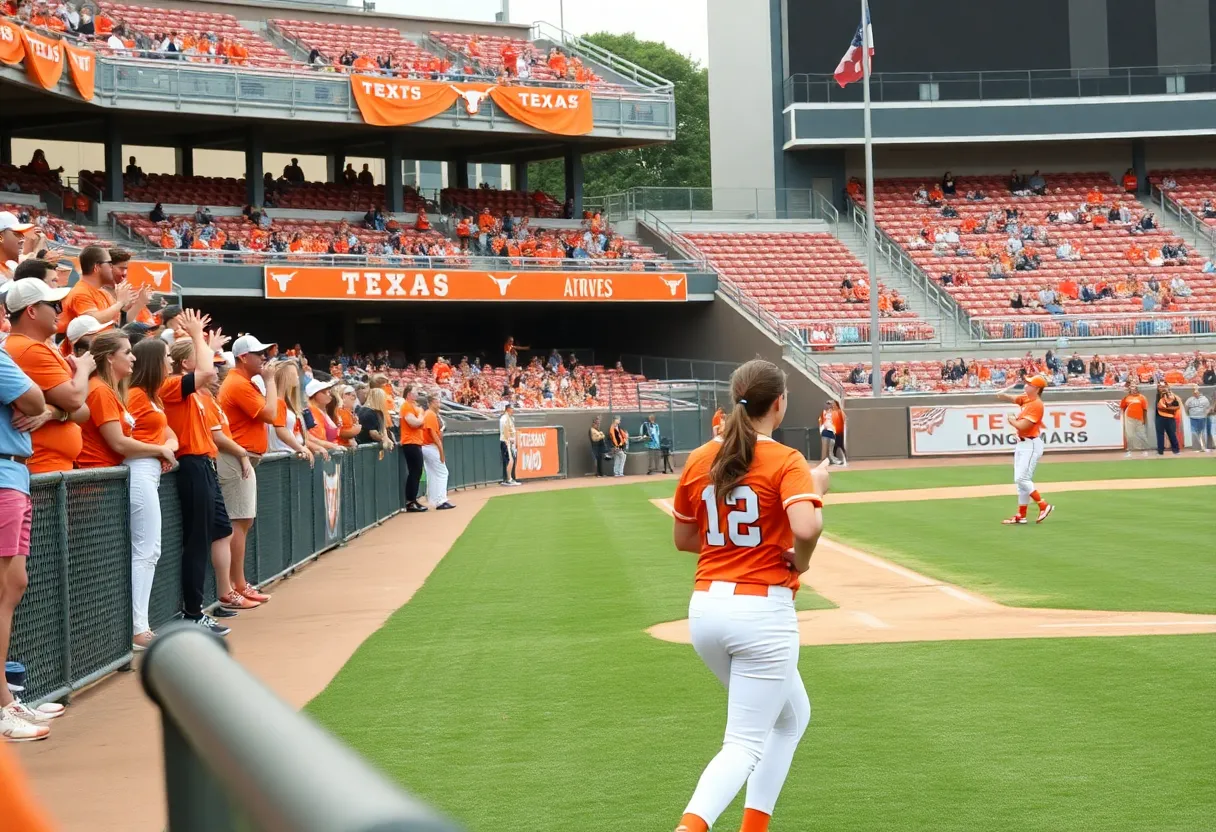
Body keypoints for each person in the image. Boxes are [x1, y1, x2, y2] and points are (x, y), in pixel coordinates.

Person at [669, 359, 830, 832]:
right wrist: (800, 555)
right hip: (760, 612)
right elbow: (806, 526)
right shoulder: (785, 459)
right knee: (743, 744)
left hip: (706, 610)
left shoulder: (701, 457)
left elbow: (684, 539)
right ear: (778, 404)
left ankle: (754, 828)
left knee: (792, 716)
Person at [160, 310, 232, 635]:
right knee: (197, 541)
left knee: (218, 531)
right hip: (191, 464)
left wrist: (203, 342)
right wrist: (196, 337)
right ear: (184, 363)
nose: (212, 364)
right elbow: (204, 371)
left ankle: (205, 604)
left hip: (205, 465)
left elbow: (205, 369)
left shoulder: (193, 392)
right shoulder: (172, 385)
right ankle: (193, 611)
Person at [0, 339, 56, 741]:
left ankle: (7, 697)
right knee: (2, 588)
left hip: (14, 473)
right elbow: (34, 400)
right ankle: (3, 704)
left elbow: (42, 404)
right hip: (2, 475)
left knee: (14, 584)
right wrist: (38, 404)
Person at [3, 279, 92, 474]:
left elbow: (84, 411)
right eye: (54, 305)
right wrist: (84, 368)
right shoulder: (28, 348)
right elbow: (75, 399)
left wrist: (53, 412)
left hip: (50, 468)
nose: (59, 311)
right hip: (41, 467)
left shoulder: (35, 346)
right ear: (32, 311)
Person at [125, 337, 179, 649]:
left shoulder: (152, 396)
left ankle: (140, 625)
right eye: (167, 357)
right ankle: (137, 628)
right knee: (145, 550)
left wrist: (166, 450)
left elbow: (170, 435)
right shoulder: (134, 394)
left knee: (151, 549)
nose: (170, 362)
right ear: (153, 362)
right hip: (137, 469)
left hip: (150, 468)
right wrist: (161, 449)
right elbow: (121, 438)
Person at [217, 335, 278, 606]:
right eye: (259, 353)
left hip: (242, 457)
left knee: (243, 522)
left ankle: (238, 584)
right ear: (243, 357)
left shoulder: (243, 382)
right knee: (238, 522)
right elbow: (270, 414)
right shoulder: (238, 383)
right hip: (235, 457)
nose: (264, 358)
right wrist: (272, 381)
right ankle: (237, 585)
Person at [995, 376, 1054, 525]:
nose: (1026, 385)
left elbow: (1023, 426)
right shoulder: (1027, 399)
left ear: (1037, 388)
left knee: (1022, 479)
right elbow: (1013, 398)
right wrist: (1003, 394)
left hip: (1031, 444)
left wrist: (1011, 419)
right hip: (1022, 444)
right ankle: (1021, 516)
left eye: (1029, 384)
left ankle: (1043, 505)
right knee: (1021, 482)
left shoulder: (1037, 404)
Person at [421, 395, 454, 509]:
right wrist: (441, 451)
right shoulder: (430, 414)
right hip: (430, 446)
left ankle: (434, 499)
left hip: (427, 446)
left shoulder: (431, 414)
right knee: (442, 473)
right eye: (436, 402)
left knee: (433, 473)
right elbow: (433, 434)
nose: (439, 405)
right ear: (430, 403)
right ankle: (441, 500)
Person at [398, 384, 427, 511]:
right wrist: (421, 416)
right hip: (410, 442)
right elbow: (414, 423)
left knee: (417, 472)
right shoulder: (406, 406)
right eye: (415, 392)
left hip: (416, 442)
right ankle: (410, 501)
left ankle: (413, 499)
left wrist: (420, 417)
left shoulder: (413, 406)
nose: (417, 394)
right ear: (409, 394)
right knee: (415, 472)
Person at [1119, 382, 1149, 457]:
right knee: (1129, 435)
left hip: (1139, 419)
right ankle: (1129, 451)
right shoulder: (1127, 398)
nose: (1134, 390)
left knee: (1142, 435)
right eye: (1132, 389)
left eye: (1135, 389)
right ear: (1130, 390)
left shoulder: (1142, 398)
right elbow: (1122, 407)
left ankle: (1144, 450)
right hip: (1129, 419)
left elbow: (1145, 410)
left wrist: (1144, 419)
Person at [1154, 382, 1182, 455]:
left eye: (1163, 387)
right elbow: (1159, 407)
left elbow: (1177, 406)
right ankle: (1160, 451)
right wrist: (1166, 408)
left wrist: (1167, 408)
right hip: (1159, 418)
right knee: (1160, 434)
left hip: (1170, 418)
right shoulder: (1158, 396)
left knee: (1172, 434)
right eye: (1160, 387)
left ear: (1167, 387)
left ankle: (1176, 450)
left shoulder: (1172, 396)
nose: (1162, 388)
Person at [1184, 386, 1210, 453]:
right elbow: (1186, 407)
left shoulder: (1205, 399)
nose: (1196, 394)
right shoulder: (1190, 399)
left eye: (1197, 392)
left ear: (1200, 392)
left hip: (1202, 418)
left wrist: (1205, 414)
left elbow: (1208, 408)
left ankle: (1203, 447)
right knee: (1194, 433)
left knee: (1202, 432)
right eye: (1195, 392)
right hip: (1193, 418)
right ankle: (1196, 448)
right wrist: (1188, 414)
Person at [499, 402, 519, 486]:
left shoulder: (509, 417)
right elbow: (505, 429)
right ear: (507, 409)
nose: (512, 410)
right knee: (510, 460)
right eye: (511, 408)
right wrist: (509, 439)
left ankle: (509, 478)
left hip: (508, 441)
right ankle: (509, 479)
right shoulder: (505, 418)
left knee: (510, 460)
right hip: (506, 441)